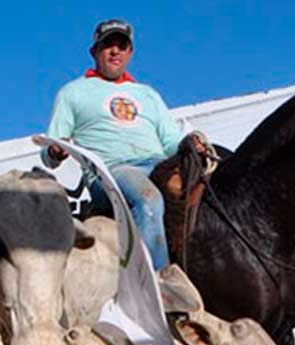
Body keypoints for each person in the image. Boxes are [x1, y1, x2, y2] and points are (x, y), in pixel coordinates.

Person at [42, 18, 205, 269]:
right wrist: (55, 150)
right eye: (108, 45)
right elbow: (49, 151)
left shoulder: (148, 94)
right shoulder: (72, 92)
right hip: (111, 171)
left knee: (212, 193)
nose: (115, 50)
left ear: (130, 52)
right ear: (95, 51)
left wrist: (191, 144)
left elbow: (171, 140)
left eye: (121, 45)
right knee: (148, 200)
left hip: (159, 165)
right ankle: (159, 282)